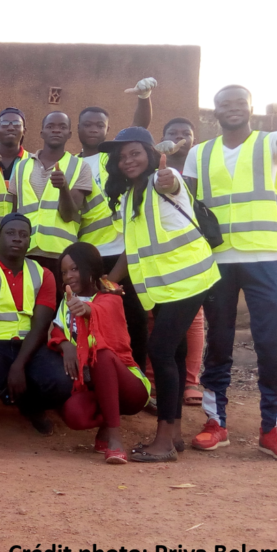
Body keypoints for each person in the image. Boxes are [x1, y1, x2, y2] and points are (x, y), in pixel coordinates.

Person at [183, 86, 277, 461]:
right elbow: (186, 202)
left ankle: (272, 429)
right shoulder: (198, 153)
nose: (233, 109)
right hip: (218, 259)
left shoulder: (269, 143)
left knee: (272, 346)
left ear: (251, 109)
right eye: (225, 104)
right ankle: (215, 424)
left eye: (240, 103)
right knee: (218, 346)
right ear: (215, 112)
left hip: (265, 258)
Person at [103, 127, 220, 462]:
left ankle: (164, 441)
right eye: (122, 156)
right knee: (177, 351)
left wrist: (166, 171)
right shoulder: (127, 198)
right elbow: (131, 249)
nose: (128, 161)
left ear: (152, 156)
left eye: (136, 153)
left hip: (190, 278)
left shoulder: (161, 181)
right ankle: (176, 434)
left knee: (160, 350)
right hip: (165, 288)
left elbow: (170, 180)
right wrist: (108, 285)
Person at [0, 215, 66, 434]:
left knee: (61, 382)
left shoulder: (43, 274)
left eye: (23, 235)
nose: (17, 238)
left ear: (29, 241)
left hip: (29, 346)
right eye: (11, 233)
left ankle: (31, 405)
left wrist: (19, 365)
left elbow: (41, 324)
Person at [75, 79, 156, 369]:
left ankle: (136, 378)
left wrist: (143, 98)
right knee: (90, 315)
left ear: (107, 130)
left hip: (125, 252)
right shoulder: (72, 164)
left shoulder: (116, 159)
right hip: (90, 254)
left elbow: (140, 130)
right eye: (88, 125)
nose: (94, 129)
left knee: (133, 317)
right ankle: (95, 375)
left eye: (100, 125)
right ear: (79, 129)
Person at [55, 243, 151, 464]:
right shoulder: (67, 300)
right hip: (93, 385)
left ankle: (115, 441)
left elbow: (101, 311)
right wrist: (65, 345)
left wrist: (87, 310)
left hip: (130, 387)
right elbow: (56, 330)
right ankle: (107, 423)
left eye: (75, 269)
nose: (68, 276)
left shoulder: (110, 295)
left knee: (103, 355)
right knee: (73, 413)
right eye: (64, 272)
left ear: (90, 267)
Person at [9, 111, 92, 294]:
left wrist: (63, 188)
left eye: (62, 127)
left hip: (60, 255)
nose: (56, 130)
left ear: (70, 134)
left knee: (55, 309)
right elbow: (14, 212)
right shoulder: (22, 166)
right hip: (25, 251)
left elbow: (70, 214)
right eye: (50, 126)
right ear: (42, 133)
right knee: (24, 306)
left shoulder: (80, 167)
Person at [154, 116, 204, 406]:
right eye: (173, 132)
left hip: (193, 250)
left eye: (186, 133)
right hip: (160, 251)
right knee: (155, 316)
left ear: (194, 139)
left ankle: (189, 381)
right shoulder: (155, 167)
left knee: (193, 319)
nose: (180, 136)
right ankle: (153, 377)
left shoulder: (200, 167)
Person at [0, 108, 29, 254]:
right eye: (5, 123)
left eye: (16, 123)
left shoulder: (33, 162)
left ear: (24, 130)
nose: (10, 127)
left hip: (21, 242)